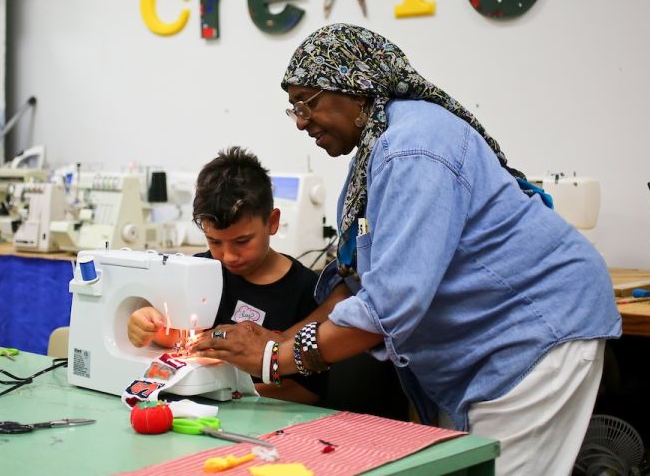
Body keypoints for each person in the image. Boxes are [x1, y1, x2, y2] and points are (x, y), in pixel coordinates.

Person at [193, 24, 621, 475]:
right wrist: (278, 340)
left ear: (356, 89)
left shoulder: (412, 149)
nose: (301, 120)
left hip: (535, 332)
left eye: (309, 101)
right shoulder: (377, 150)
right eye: (293, 107)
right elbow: (358, 281)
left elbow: (389, 306)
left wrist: (274, 357)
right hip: (485, 348)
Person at [127, 146, 327, 404]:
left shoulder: (306, 291)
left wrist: (231, 397)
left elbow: (307, 391)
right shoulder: (197, 271)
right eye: (215, 242)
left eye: (242, 241)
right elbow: (173, 336)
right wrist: (145, 325)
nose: (229, 256)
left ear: (272, 222)